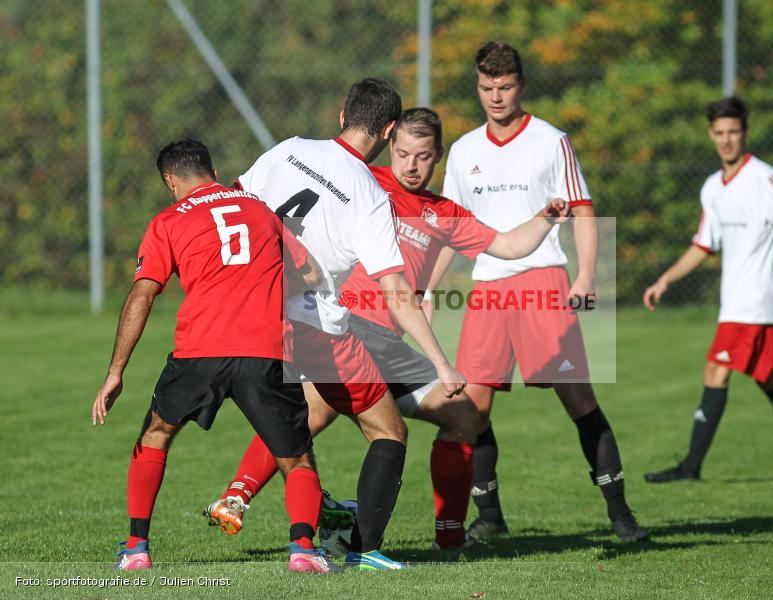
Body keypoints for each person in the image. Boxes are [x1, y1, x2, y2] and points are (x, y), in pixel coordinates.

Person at [206, 107, 570, 551]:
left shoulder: (443, 212)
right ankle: (239, 497)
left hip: (390, 343)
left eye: (422, 156)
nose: (410, 165)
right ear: (390, 145)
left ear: (438, 157)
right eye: (402, 153)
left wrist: (545, 217)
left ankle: (449, 537)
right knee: (313, 412)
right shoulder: (365, 181)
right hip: (346, 326)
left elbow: (510, 245)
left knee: (462, 415)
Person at [204, 79, 466, 570]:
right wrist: (441, 362)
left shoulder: (290, 150)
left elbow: (233, 209)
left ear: (342, 113)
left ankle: (266, 506)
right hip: (317, 327)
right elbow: (397, 294)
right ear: (390, 131)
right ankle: (363, 550)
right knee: (387, 430)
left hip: (254, 315)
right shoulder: (370, 196)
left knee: (301, 419)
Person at [430, 42, 648, 542]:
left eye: (504, 87)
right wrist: (427, 287)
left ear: (521, 86)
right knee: (472, 409)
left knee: (577, 398)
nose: (495, 97)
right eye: (486, 88)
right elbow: (449, 230)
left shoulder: (551, 141)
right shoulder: (464, 151)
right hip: (487, 289)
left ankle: (620, 514)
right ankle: (489, 517)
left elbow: (585, 211)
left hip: (544, 282)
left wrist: (587, 276)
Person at [91, 139, 337, 573]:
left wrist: (116, 372)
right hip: (265, 351)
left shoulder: (167, 221)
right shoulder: (261, 210)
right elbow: (312, 273)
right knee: (295, 456)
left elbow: (142, 294)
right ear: (213, 168)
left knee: (156, 434)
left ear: (170, 180)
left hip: (199, 351)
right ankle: (302, 551)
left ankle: (135, 549)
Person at [642, 96, 773, 484]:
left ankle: (690, 467)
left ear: (745, 133)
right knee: (769, 379)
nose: (727, 140)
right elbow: (703, 244)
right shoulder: (713, 186)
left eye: (733, 132)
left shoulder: (764, 178)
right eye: (719, 133)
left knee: (716, 370)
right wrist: (666, 278)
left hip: (755, 303)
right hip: (735, 303)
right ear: (711, 135)